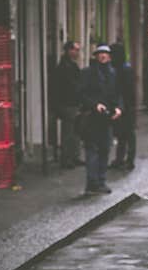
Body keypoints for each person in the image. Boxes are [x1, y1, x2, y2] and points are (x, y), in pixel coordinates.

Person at [78, 43, 122, 195]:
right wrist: (94, 105)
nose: (103, 56)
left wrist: (118, 107)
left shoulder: (113, 73)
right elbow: (81, 94)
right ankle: (92, 183)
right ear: (95, 56)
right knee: (92, 150)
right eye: (100, 54)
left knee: (105, 149)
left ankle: (101, 181)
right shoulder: (87, 73)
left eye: (106, 54)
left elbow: (116, 94)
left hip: (107, 118)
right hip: (91, 118)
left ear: (109, 57)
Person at [51, 41, 82, 169]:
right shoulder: (65, 67)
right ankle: (67, 158)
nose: (77, 53)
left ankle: (73, 157)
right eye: (75, 50)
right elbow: (68, 86)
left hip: (71, 102)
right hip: (67, 103)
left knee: (74, 131)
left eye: (78, 50)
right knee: (69, 132)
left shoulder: (70, 66)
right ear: (69, 50)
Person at [109, 43, 136, 171]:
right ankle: (122, 159)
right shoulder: (122, 68)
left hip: (125, 106)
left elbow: (126, 89)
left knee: (126, 134)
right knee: (123, 134)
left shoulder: (122, 69)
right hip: (124, 105)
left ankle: (128, 159)